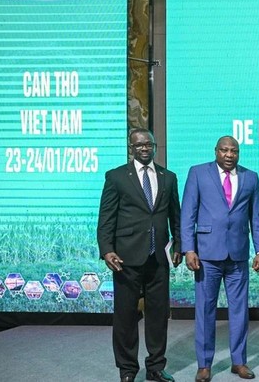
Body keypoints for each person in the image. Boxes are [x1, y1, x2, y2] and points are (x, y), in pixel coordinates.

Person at [97, 128, 181, 382]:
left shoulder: (169, 177)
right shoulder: (116, 177)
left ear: (155, 147)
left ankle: (155, 367)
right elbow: (106, 218)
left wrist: (179, 244)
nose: (145, 148)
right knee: (125, 316)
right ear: (131, 148)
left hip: (158, 259)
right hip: (126, 258)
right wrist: (107, 249)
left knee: (158, 317)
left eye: (149, 144)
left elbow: (175, 217)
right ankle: (127, 369)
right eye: (139, 145)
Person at [181, 136, 259, 382]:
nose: (229, 155)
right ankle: (204, 364)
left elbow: (256, 217)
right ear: (216, 151)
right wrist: (189, 249)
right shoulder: (198, 173)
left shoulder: (251, 177)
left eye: (234, 151)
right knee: (205, 310)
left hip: (238, 254)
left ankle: (239, 362)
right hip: (206, 254)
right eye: (224, 150)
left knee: (239, 311)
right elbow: (189, 213)